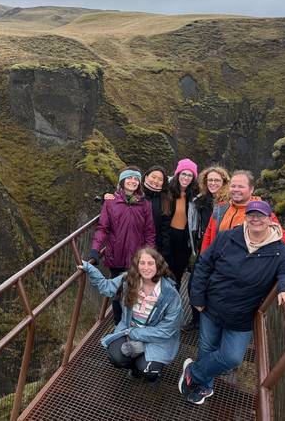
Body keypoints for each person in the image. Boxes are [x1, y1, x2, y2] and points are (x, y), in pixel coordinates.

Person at [179, 201, 285, 405]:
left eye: (261, 215)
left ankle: (194, 372)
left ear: (270, 219)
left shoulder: (281, 251)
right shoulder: (228, 237)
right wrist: (197, 297)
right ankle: (204, 386)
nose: (256, 219)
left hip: (242, 314)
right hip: (212, 305)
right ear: (246, 217)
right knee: (207, 347)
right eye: (251, 215)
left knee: (232, 357)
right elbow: (204, 264)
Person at [79, 247, 182, 383]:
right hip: (129, 330)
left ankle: (144, 359)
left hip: (157, 338)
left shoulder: (170, 294)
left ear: (158, 265)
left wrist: (135, 334)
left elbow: (167, 330)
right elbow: (107, 287)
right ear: (136, 265)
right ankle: (135, 362)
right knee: (115, 356)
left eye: (150, 263)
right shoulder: (129, 280)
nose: (146, 268)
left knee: (147, 370)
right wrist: (90, 268)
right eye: (142, 263)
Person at [89, 167, 156, 324]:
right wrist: (94, 250)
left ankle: (133, 326)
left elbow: (149, 232)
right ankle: (119, 326)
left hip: (137, 258)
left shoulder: (144, 204)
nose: (132, 181)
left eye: (135, 179)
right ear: (122, 181)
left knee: (135, 294)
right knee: (117, 293)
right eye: (129, 178)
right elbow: (102, 228)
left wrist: (150, 255)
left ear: (139, 183)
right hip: (116, 257)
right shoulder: (111, 203)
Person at [182, 165, 231, 331]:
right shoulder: (199, 201)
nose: (213, 183)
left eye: (217, 180)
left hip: (222, 253)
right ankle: (196, 321)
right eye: (210, 180)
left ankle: (211, 324)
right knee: (193, 286)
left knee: (215, 288)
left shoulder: (230, 203)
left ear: (224, 182)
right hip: (202, 250)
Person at [201, 170, 285, 252]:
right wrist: (204, 263)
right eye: (233, 186)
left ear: (251, 189)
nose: (236, 189)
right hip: (218, 265)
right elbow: (208, 236)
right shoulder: (220, 209)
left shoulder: (261, 211)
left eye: (241, 186)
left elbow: (281, 237)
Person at [165, 158, 199, 291]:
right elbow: (143, 187)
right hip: (167, 234)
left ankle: (174, 299)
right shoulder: (166, 188)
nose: (186, 177)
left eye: (190, 175)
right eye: (183, 174)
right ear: (178, 174)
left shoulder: (195, 194)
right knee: (163, 269)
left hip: (185, 238)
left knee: (178, 271)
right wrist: (108, 196)